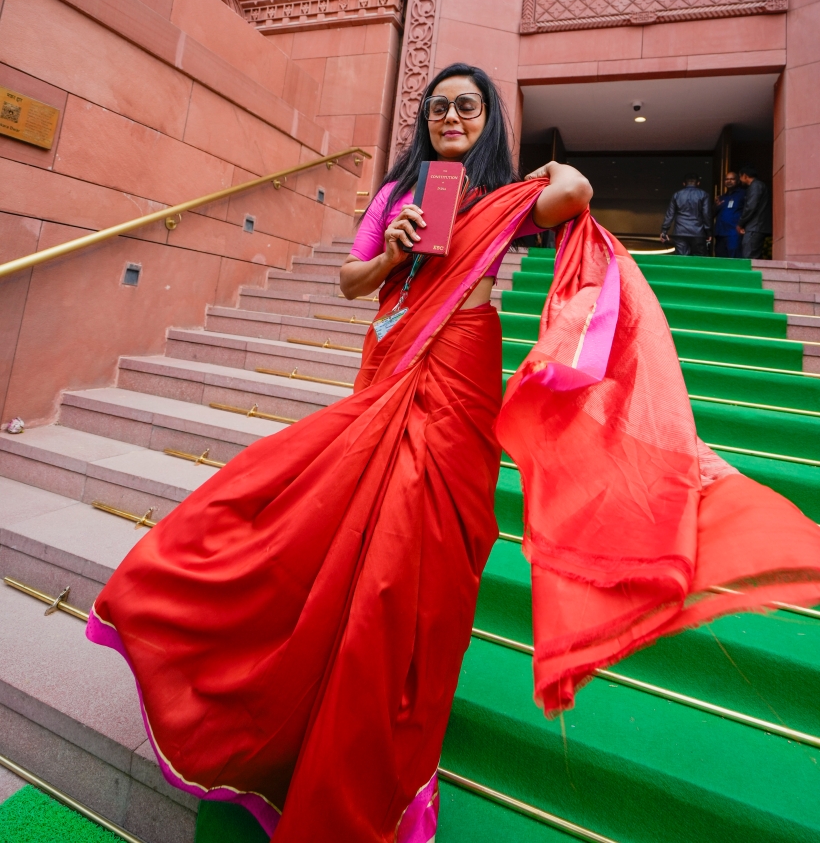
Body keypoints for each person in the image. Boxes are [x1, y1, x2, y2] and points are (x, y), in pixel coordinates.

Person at [86, 65, 820, 842]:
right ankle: (298, 689)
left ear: (488, 120)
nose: (451, 117)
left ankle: (382, 717)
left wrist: (536, 172)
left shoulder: (502, 201)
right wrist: (394, 252)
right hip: (391, 362)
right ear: (423, 120)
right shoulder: (395, 196)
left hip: (462, 373)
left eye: (467, 106)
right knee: (318, 519)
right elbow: (348, 281)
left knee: (424, 554)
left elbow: (574, 193)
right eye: (438, 107)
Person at [660, 173, 712, 255]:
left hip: (680, 231)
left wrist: (664, 231)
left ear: (684, 183)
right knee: (699, 260)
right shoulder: (704, 195)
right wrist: (708, 232)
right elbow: (706, 214)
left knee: (682, 260)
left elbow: (670, 214)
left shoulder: (676, 195)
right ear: (698, 183)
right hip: (698, 232)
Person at [737, 164, 771, 259]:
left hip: (755, 227)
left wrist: (740, 224)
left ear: (744, 175)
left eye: (740, 176)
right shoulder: (757, 185)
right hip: (756, 226)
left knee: (749, 257)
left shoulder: (755, 186)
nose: (740, 179)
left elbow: (750, 207)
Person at [713, 171, 745, 257]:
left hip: (734, 232)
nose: (729, 181)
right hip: (720, 233)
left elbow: (749, 210)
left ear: (738, 181)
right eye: (727, 179)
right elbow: (712, 214)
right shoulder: (721, 197)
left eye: (732, 179)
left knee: (734, 257)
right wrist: (716, 206)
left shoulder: (743, 194)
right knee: (720, 259)